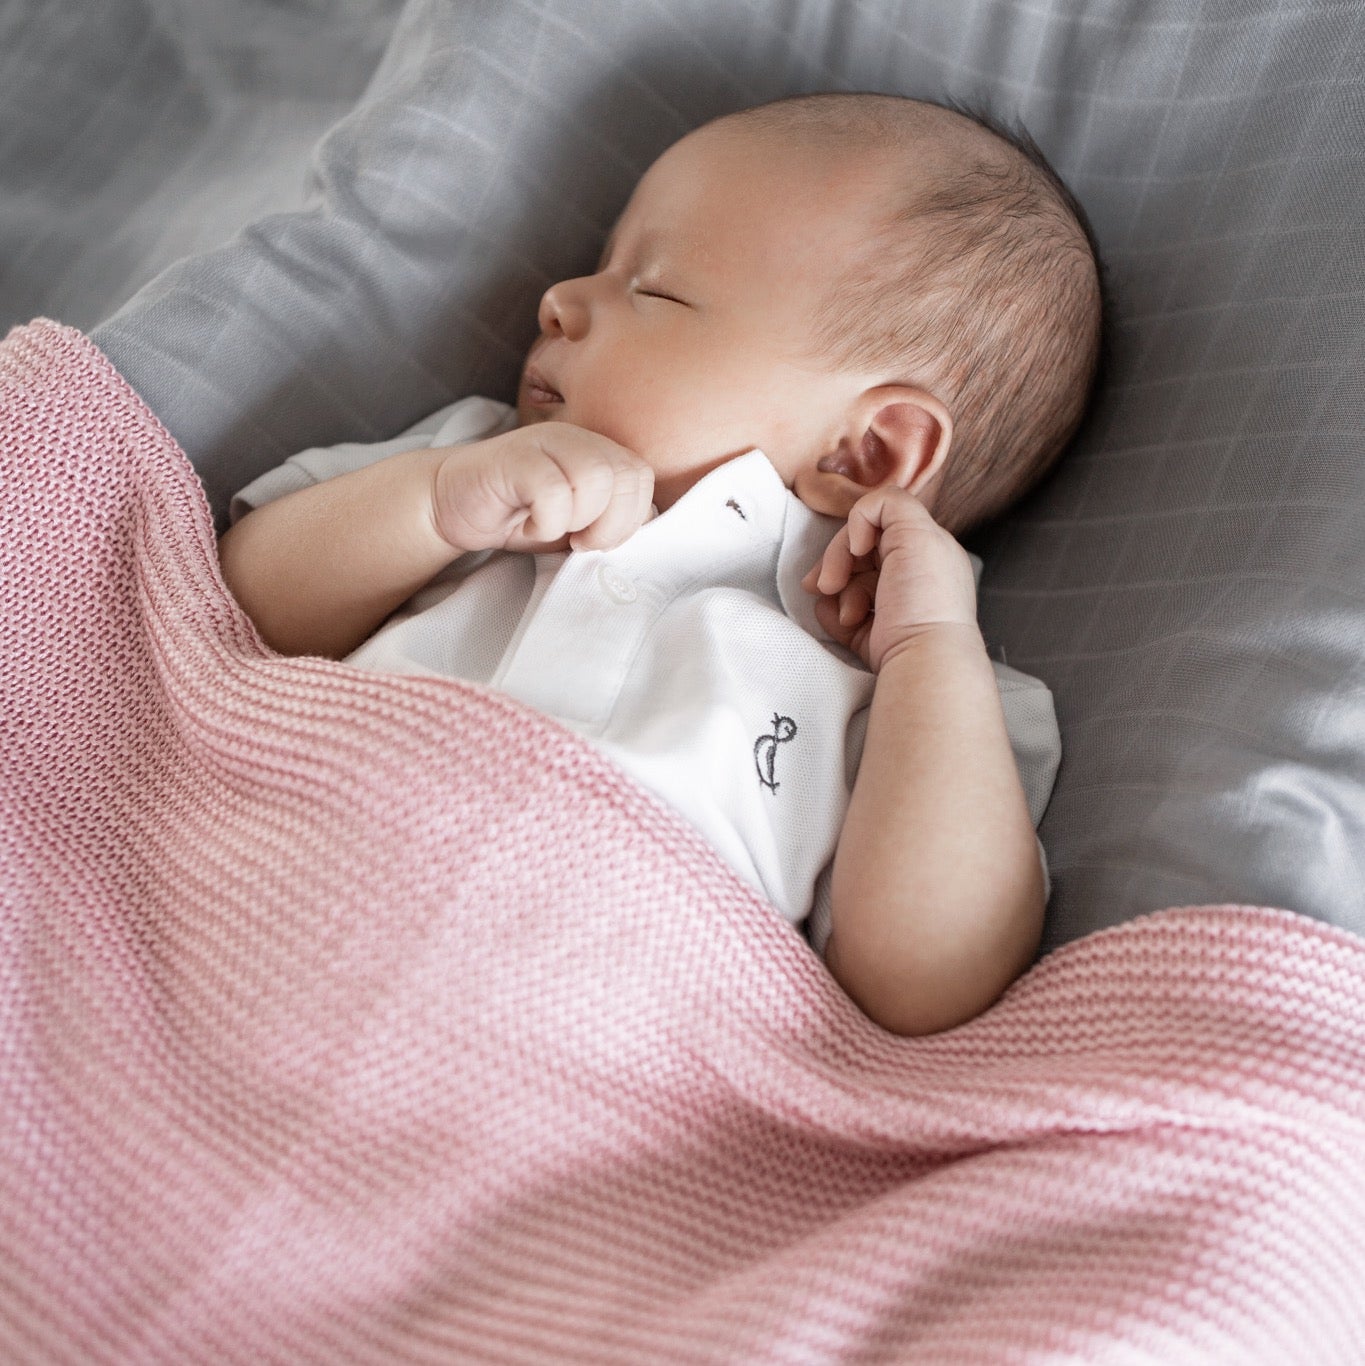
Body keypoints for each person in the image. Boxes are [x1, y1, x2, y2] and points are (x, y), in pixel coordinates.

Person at [217, 92, 1104, 1036]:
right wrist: (437, 503)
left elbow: (929, 979)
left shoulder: (915, 689)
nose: (559, 300)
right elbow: (242, 607)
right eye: (601, 267)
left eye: (655, 289)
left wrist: (930, 650)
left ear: (866, 455)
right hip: (270, 897)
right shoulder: (480, 470)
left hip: (579, 1040)